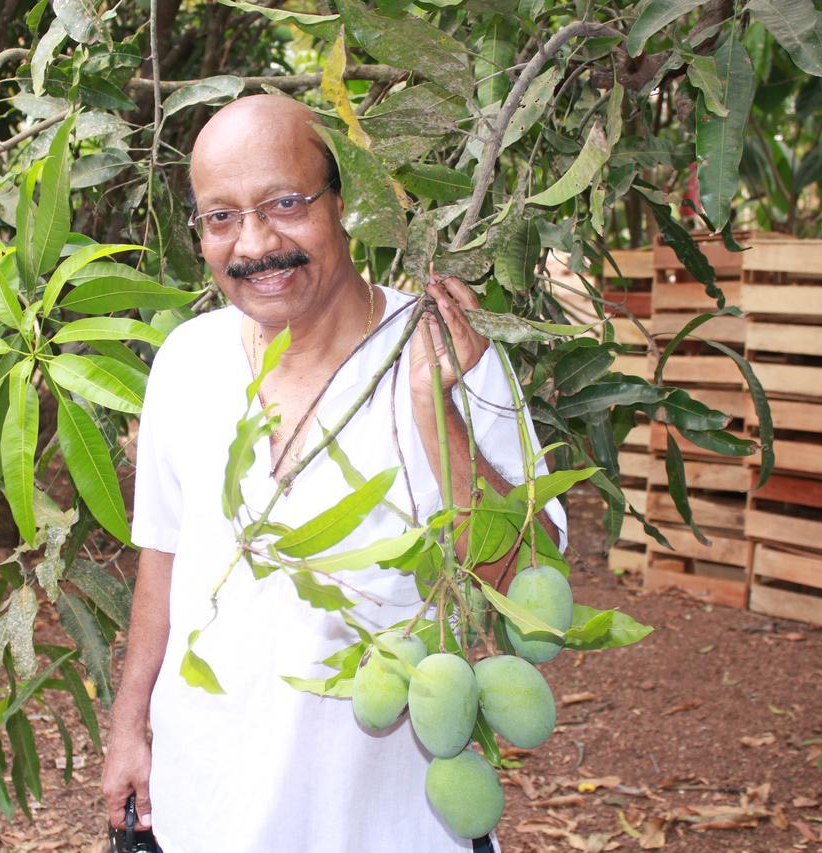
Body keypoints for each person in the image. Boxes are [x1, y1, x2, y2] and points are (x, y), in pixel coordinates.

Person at [101, 94, 567, 853]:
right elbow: (164, 557)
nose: (254, 243)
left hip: (390, 829)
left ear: (343, 203)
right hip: (204, 816)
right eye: (221, 217)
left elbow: (534, 599)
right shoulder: (186, 361)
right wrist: (128, 725)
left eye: (285, 203)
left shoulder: (450, 348)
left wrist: (433, 410)